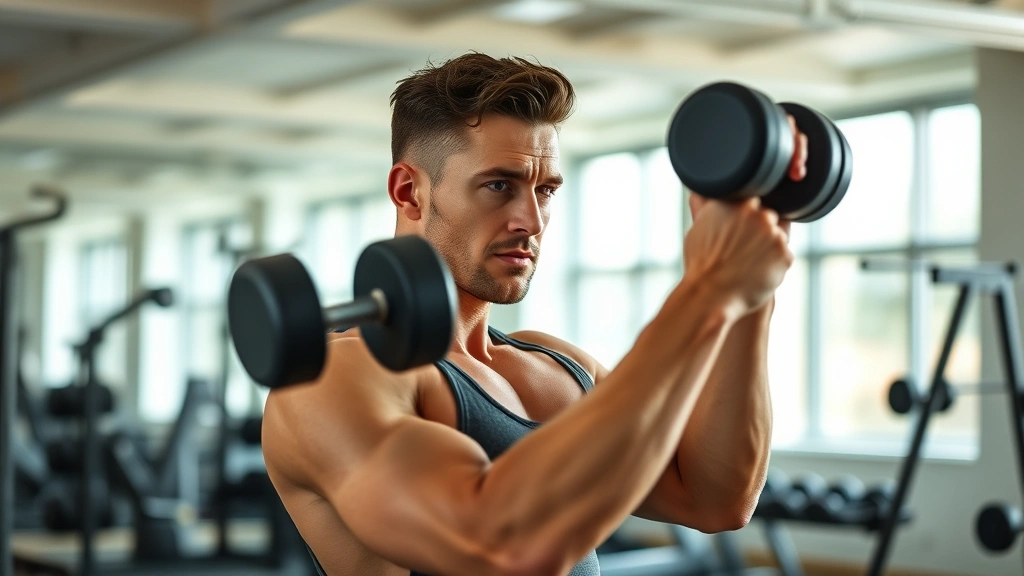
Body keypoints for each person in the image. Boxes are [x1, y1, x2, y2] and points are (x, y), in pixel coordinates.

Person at [261, 53, 806, 576]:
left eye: (544, 190)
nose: (531, 220)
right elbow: (497, 546)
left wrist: (752, 291)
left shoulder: (554, 364)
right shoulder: (332, 378)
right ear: (409, 192)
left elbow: (716, 500)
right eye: (499, 185)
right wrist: (709, 291)